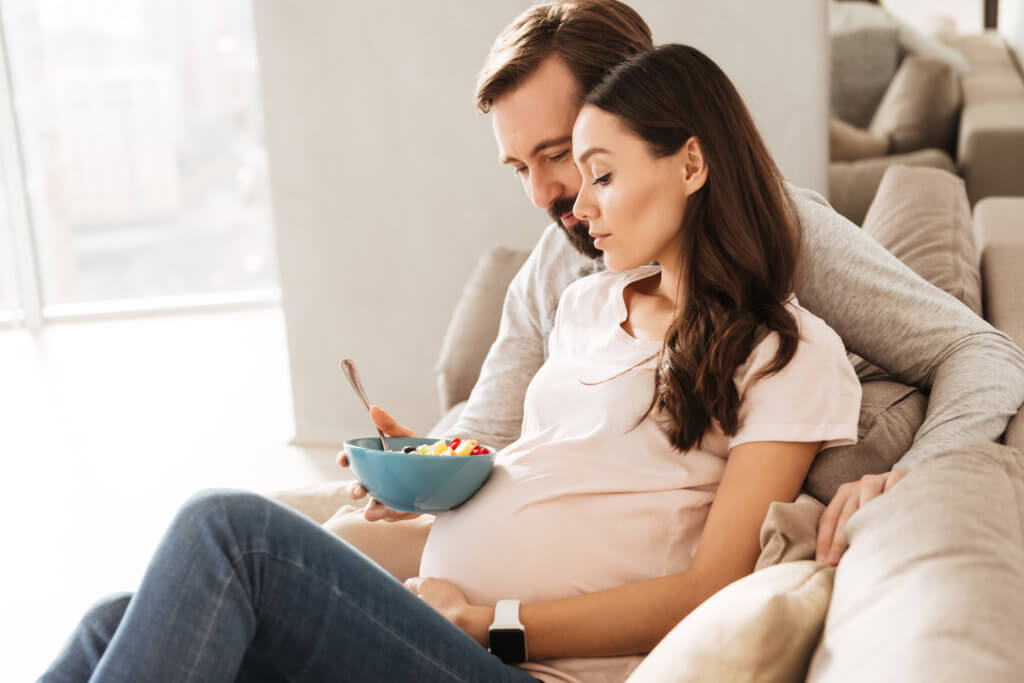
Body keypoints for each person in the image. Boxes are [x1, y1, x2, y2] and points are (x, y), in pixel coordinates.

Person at [41, 39, 865, 683]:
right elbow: (551, 477)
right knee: (114, 620)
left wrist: (496, 619)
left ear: (690, 163)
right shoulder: (584, 304)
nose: (575, 205)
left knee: (228, 532)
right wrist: (432, 476)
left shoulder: (786, 355)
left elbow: (710, 585)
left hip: (514, 660)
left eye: (601, 176)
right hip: (433, 624)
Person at [343, 0, 1024, 567]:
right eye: (518, 167)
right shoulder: (557, 274)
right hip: (508, 569)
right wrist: (424, 465)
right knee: (322, 538)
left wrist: (912, 475)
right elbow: (489, 440)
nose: (545, 194)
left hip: (609, 596)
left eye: (559, 156)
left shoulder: (780, 238)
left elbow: (981, 351)